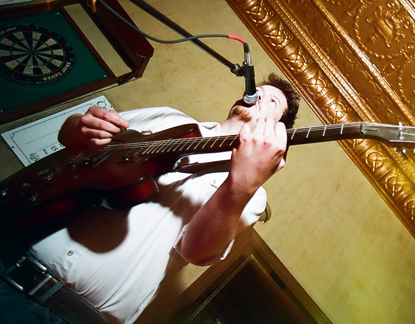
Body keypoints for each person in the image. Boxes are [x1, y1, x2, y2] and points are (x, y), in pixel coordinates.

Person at [0, 73, 300, 324]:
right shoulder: (169, 117)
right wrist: (78, 126)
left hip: (66, 317)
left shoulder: (253, 191)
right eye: (257, 90)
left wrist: (240, 186)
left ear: (279, 129)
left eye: (272, 101)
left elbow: (196, 252)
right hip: (10, 251)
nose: (257, 96)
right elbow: (73, 138)